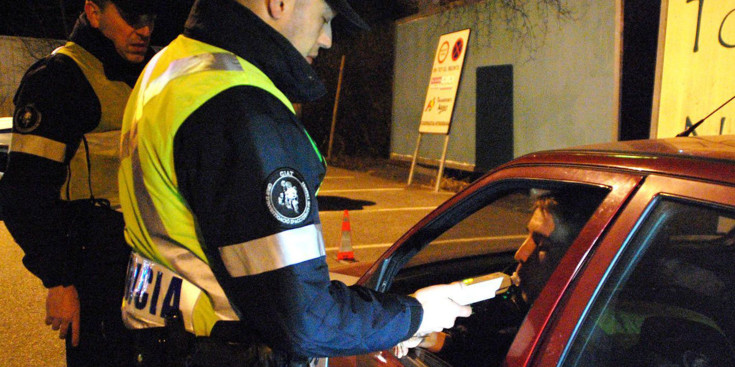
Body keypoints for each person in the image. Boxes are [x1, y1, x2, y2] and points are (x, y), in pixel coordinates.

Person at [117, 0, 472, 365]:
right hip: (224, 353)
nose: (327, 39)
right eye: (324, 19)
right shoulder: (243, 109)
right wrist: (417, 315)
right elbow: (305, 319)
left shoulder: (170, 71)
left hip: (164, 343)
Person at [0, 1, 157, 366]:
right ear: (93, 11)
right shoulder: (58, 78)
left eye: (149, 19)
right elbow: (23, 195)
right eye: (131, 18)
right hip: (95, 268)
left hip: (149, 261)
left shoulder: (150, 73)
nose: (144, 30)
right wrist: (59, 281)